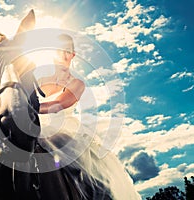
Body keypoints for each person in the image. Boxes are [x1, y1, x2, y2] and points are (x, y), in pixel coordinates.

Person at [36, 34, 141, 200]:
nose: (62, 54)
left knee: (99, 185)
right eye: (58, 50)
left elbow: (58, 104)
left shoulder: (77, 83)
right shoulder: (39, 81)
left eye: (67, 50)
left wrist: (29, 108)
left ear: (73, 55)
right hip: (35, 129)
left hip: (63, 136)